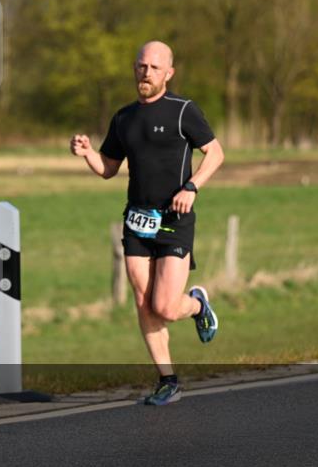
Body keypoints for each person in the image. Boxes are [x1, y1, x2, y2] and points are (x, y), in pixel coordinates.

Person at [70, 41, 224, 406]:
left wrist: (191, 188)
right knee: (143, 303)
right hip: (137, 220)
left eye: (154, 67)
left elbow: (215, 154)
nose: (146, 72)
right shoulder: (124, 118)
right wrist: (88, 153)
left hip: (174, 219)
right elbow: (108, 168)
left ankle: (198, 305)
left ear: (168, 73)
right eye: (141, 66)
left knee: (166, 307)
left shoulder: (183, 110)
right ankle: (168, 380)